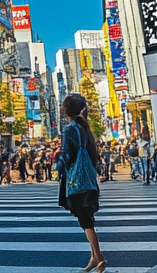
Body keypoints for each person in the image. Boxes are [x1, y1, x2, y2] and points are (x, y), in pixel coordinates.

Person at [56, 95, 106, 272]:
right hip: (89, 179)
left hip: (76, 181)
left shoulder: (69, 129)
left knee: (86, 222)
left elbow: (67, 154)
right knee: (87, 219)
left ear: (66, 110)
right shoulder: (86, 129)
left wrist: (58, 166)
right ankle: (93, 258)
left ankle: (99, 258)